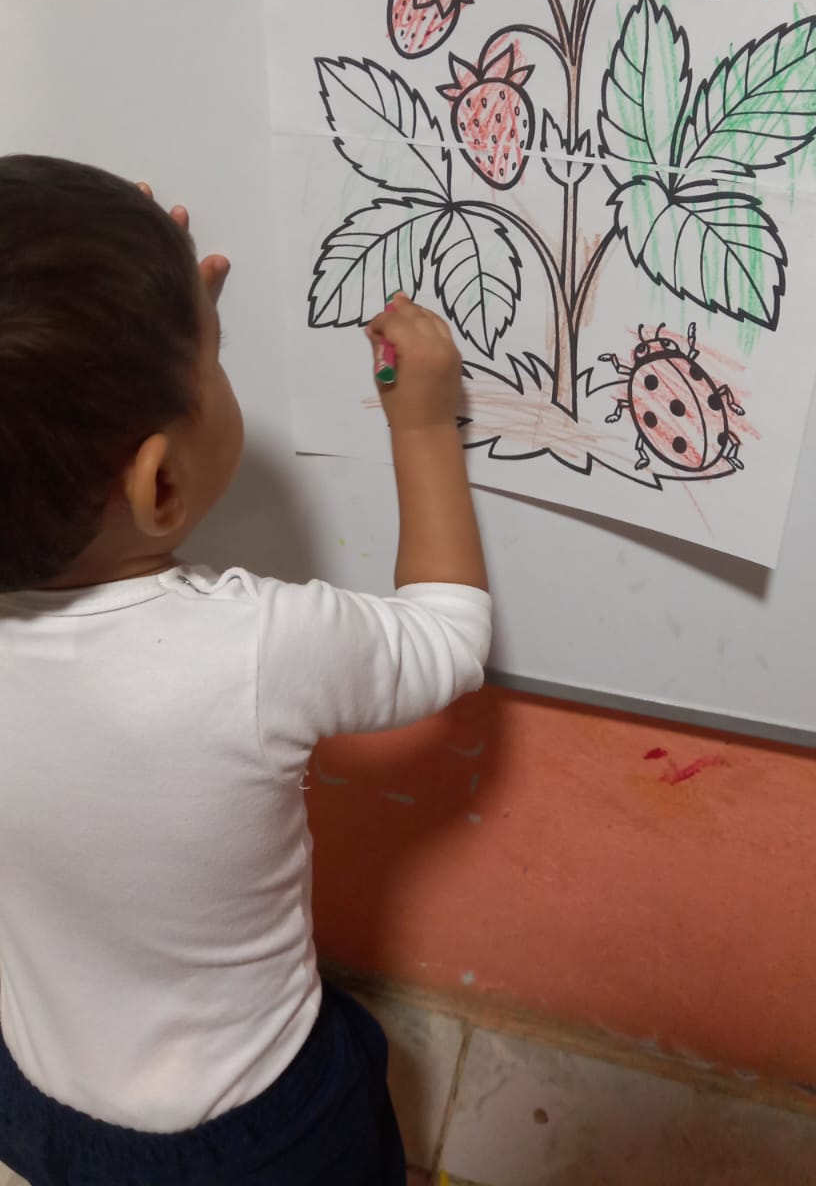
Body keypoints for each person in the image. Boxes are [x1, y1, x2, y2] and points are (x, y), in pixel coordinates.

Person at [0, 154, 490, 1186]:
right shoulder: (255, 646)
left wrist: (147, 334)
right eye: (217, 362)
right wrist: (422, 423)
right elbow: (446, 640)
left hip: (37, 1099)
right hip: (255, 1137)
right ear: (161, 484)